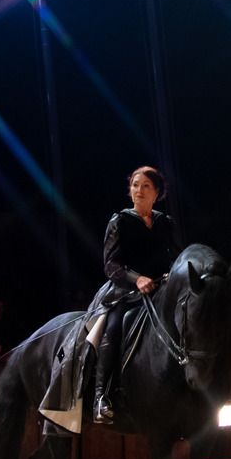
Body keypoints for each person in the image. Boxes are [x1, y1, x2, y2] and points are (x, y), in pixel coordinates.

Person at [91, 166, 181, 423]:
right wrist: (137, 278)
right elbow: (111, 265)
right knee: (114, 328)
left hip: (161, 291)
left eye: (146, 186)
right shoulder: (120, 221)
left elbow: (175, 258)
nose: (139, 190)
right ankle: (102, 397)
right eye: (135, 185)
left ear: (157, 193)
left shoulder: (165, 223)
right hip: (125, 292)